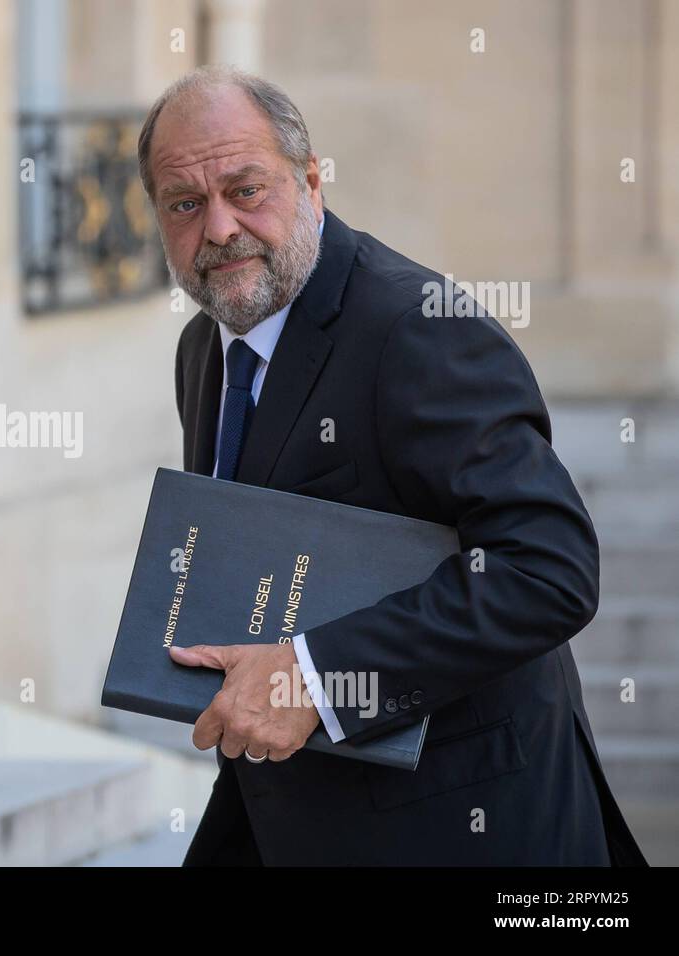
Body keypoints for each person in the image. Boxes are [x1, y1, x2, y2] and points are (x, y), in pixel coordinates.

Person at [139, 64, 646, 865]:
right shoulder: (203, 349)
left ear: (311, 183)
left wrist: (315, 677)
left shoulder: (416, 329)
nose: (221, 228)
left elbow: (546, 569)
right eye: (185, 204)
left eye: (247, 189)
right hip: (299, 813)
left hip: (469, 829)